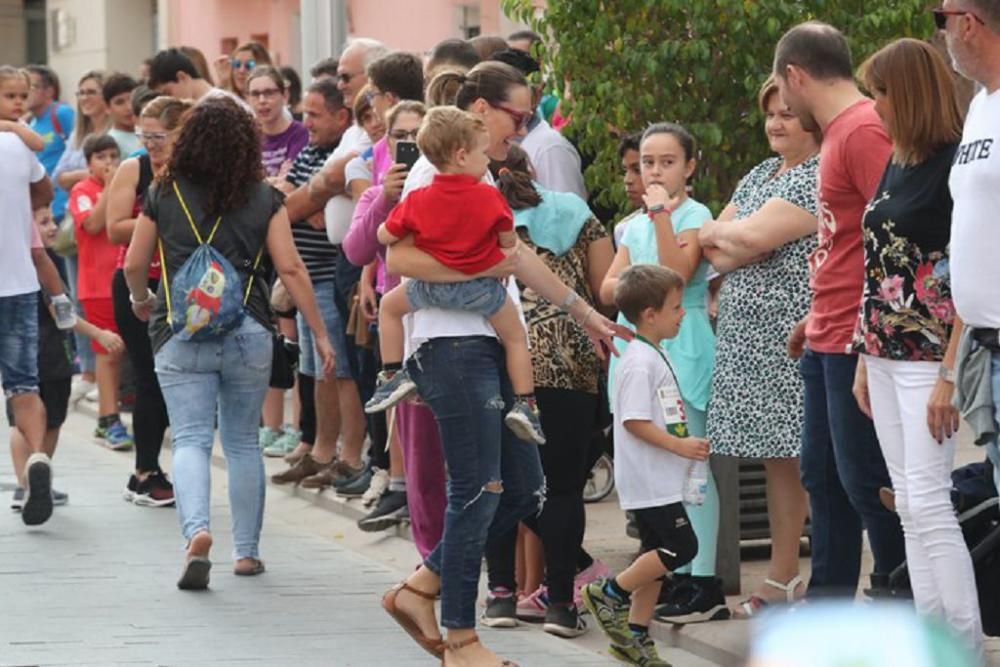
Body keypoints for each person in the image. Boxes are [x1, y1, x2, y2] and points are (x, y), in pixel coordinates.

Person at [379, 60, 623, 667]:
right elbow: (402, 261)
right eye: (517, 116)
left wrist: (581, 311)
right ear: (479, 114)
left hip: (485, 340)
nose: (524, 127)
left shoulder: (484, 178)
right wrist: (481, 270)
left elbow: (520, 262)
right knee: (478, 489)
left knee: (523, 488)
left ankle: (421, 587)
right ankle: (460, 638)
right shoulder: (433, 177)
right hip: (452, 345)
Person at [124, 96, 334, 590]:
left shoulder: (163, 191)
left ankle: (196, 532)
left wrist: (141, 299)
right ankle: (247, 552)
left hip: (180, 329)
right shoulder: (263, 196)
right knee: (241, 442)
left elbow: (135, 262)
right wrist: (320, 333)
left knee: (192, 438)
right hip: (248, 330)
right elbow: (290, 267)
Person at [852, 37, 983, 655]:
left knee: (928, 504)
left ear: (905, 94)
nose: (872, 104)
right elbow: (878, 264)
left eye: (879, 92)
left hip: (930, 356)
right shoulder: (896, 160)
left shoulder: (952, 163)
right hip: (882, 352)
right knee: (907, 502)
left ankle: (962, 642)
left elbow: (971, 269)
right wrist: (862, 351)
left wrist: (950, 373)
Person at [774, 21, 905, 597]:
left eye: (782, 93)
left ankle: (895, 596)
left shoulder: (861, 131)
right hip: (828, 331)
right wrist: (817, 312)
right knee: (824, 479)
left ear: (796, 77)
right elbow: (847, 239)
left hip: (858, 339)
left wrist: (861, 332)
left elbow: (897, 234)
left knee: (866, 483)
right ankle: (829, 606)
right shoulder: (842, 134)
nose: (782, 106)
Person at [696, 75, 819, 617]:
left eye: (788, 114)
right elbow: (714, 243)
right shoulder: (761, 173)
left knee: (803, 459)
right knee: (776, 460)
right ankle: (782, 575)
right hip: (748, 339)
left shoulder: (819, 175)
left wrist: (734, 241)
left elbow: (741, 240)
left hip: (792, 337)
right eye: (770, 114)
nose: (775, 123)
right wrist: (732, 242)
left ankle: (795, 577)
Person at [484, 146, 615, 637]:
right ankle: (561, 605)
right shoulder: (577, 213)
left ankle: (500, 595)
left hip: (499, 354)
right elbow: (604, 289)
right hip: (569, 362)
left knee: (496, 481)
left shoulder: (483, 215)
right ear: (533, 174)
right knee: (561, 488)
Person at [600, 122, 727, 623]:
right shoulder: (630, 226)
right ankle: (672, 569)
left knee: (692, 459)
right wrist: (634, 284)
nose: (654, 171)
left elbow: (678, 271)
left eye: (666, 162)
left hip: (685, 339)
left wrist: (659, 217)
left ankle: (704, 579)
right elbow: (610, 286)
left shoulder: (696, 215)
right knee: (654, 462)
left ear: (690, 167)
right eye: (647, 162)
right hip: (635, 344)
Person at [364, 107, 545, 444]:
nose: (486, 161)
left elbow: (384, 236)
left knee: (389, 307)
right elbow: (509, 243)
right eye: (482, 152)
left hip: (429, 290)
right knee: (516, 337)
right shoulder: (490, 196)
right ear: (462, 155)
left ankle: (392, 373)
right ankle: (526, 404)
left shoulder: (418, 197)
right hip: (482, 291)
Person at [582, 263, 707, 666]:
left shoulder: (653, 352)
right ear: (649, 314)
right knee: (681, 546)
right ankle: (609, 593)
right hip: (649, 480)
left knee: (655, 555)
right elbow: (633, 420)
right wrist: (679, 446)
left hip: (660, 477)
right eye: (675, 308)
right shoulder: (639, 361)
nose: (682, 312)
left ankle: (635, 636)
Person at [344, 100, 432, 539]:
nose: (410, 145)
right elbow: (358, 249)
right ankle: (403, 488)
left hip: (440, 320)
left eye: (420, 136)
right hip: (395, 314)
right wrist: (385, 197)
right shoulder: (375, 192)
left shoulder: (445, 187)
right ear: (388, 140)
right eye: (402, 137)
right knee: (398, 405)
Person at [269, 79, 361, 489]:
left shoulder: (341, 154)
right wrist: (304, 204)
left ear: (342, 116)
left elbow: (289, 203)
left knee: (339, 370)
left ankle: (350, 456)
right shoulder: (310, 152)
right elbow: (280, 203)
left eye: (315, 114)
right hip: (305, 280)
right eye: (304, 113)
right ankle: (321, 451)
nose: (306, 122)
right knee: (314, 371)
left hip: (325, 277)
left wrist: (298, 200)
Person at [106, 95, 193, 506]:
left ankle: (150, 470)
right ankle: (145, 471)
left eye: (158, 136)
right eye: (144, 135)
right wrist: (159, 221)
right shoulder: (135, 167)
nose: (151, 144)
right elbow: (113, 227)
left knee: (170, 378)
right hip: (137, 283)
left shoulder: (194, 169)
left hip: (185, 284)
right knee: (150, 376)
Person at [8, 206, 124, 511]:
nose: (52, 227)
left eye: (52, 221)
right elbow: (63, 316)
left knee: (20, 422)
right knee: (51, 421)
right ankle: (35, 477)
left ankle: (25, 485)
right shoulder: (44, 267)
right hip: (50, 357)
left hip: (18, 358)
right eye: (43, 223)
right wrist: (99, 334)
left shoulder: (13, 267)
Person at [940, 0, 1000, 491]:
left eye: (942, 19)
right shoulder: (980, 105)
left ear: (968, 23)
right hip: (985, 348)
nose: (943, 33)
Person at [0, 64, 58, 527]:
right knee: (24, 385)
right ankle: (37, 455)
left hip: (18, 282)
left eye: (23, 96)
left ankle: (36, 462)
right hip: (18, 283)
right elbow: (44, 188)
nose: (19, 104)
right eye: (11, 96)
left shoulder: (19, 138)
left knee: (24, 384)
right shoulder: (19, 144)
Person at [70, 134, 133, 451]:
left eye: (113, 156)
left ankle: (112, 414)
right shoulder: (82, 191)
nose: (109, 163)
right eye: (101, 157)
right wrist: (110, 187)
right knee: (108, 353)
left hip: (122, 278)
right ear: (89, 162)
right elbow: (93, 225)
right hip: (96, 285)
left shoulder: (128, 185)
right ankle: (109, 420)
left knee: (122, 352)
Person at [53, 71, 110, 404]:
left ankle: (98, 372)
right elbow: (60, 176)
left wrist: (82, 177)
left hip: (101, 230)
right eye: (82, 92)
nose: (85, 97)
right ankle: (87, 369)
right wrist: (85, 175)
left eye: (92, 91)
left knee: (99, 301)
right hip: (75, 230)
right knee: (79, 299)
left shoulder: (110, 136)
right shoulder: (78, 135)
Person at [25, 65, 74, 227]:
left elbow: (80, 149)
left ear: (49, 91)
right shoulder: (30, 122)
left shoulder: (61, 113)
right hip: (42, 209)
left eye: (31, 86)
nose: (25, 92)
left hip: (62, 206)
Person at [249, 66, 309, 179]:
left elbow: (290, 181)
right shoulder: (247, 137)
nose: (262, 101)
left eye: (269, 93)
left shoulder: (300, 133)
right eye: (255, 94)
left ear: (285, 95)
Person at [613, 132, 645, 248]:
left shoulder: (692, 218)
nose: (627, 180)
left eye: (637, 170)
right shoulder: (624, 229)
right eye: (625, 171)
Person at [102, 73, 140, 156]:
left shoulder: (148, 134)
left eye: (131, 99)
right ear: (107, 108)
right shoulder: (110, 142)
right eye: (119, 102)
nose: (129, 107)